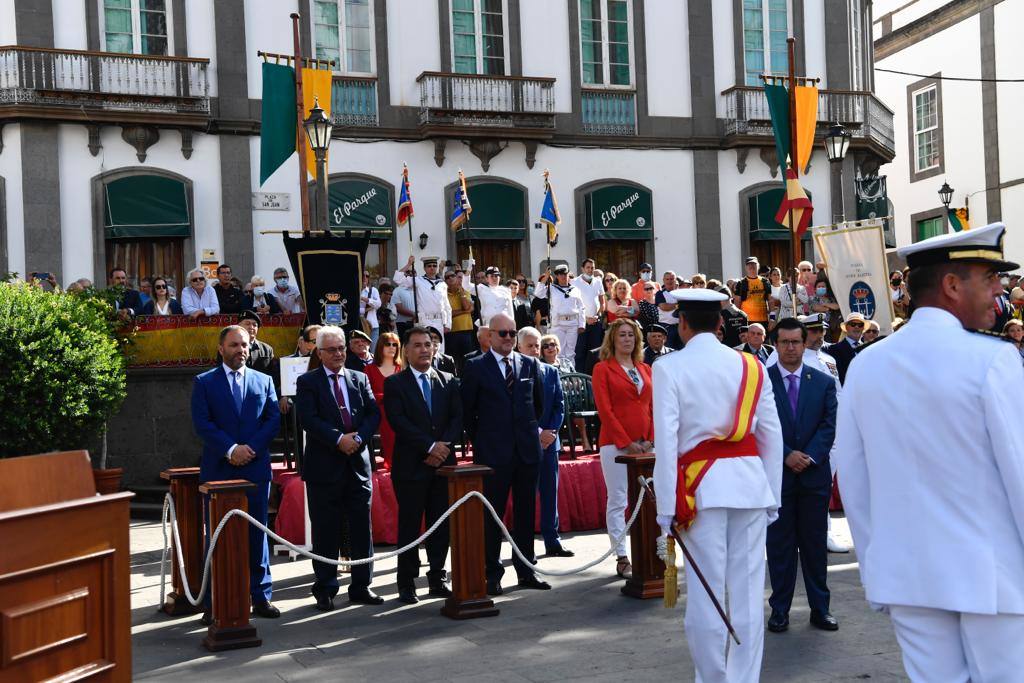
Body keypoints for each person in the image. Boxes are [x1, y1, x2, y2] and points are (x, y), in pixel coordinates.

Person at [834, 222, 1024, 682]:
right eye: (989, 278)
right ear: (952, 285)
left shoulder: (867, 365)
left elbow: (854, 482)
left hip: (907, 576)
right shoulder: (993, 359)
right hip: (991, 575)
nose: (999, 292)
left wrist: (876, 567)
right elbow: (1020, 473)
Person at [653, 287, 783, 683]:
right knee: (746, 597)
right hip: (750, 486)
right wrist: (772, 497)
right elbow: (771, 436)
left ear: (684, 324)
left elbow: (666, 441)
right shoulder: (752, 366)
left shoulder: (668, 367)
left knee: (706, 598)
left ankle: (713, 678)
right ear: (721, 324)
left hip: (700, 490)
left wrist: (665, 509)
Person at [191, 325, 281, 622]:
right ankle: (214, 600)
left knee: (257, 535)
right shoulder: (204, 382)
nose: (240, 350)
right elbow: (202, 423)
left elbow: (272, 420)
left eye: (244, 345)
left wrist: (250, 449)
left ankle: (261, 596)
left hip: (255, 469)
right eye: (234, 345)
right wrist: (231, 450)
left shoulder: (264, 380)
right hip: (219, 470)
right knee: (217, 537)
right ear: (221, 348)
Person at [461, 312, 550, 595]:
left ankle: (526, 569)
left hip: (526, 453)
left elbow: (536, 406)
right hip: (492, 455)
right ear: (489, 335)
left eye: (513, 333)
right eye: (503, 333)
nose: (509, 338)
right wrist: (485, 441)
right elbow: (467, 413)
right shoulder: (475, 367)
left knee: (526, 515)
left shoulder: (529, 364)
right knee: (492, 516)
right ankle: (492, 573)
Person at [295, 325, 382, 610]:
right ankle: (325, 588)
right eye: (331, 350)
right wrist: (337, 439)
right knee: (325, 530)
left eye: (342, 348)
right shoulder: (308, 382)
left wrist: (357, 437)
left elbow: (373, 413)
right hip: (324, 467)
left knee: (361, 528)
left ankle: (361, 585)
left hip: (357, 464)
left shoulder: (359, 378)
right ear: (319, 353)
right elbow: (308, 418)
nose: (338, 354)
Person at [765, 317, 839, 634]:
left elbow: (829, 425)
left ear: (804, 342)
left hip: (813, 477)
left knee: (813, 546)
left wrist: (808, 455)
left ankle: (820, 609)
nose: (791, 347)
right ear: (776, 344)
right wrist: (785, 454)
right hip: (777, 478)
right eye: (785, 342)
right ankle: (779, 610)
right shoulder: (762, 381)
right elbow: (757, 426)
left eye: (796, 341)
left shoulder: (822, 381)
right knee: (779, 548)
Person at [383, 326, 461, 604]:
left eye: (428, 344)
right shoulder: (395, 384)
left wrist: (443, 447)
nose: (425, 349)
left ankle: (438, 577)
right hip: (411, 466)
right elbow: (398, 421)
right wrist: (429, 446)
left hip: (443, 467)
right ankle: (406, 582)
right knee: (410, 526)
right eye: (417, 345)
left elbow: (456, 419)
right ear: (406, 350)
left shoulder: (449, 380)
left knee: (441, 525)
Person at [591, 318, 653, 580]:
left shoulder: (646, 368)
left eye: (631, 335)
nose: (627, 339)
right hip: (615, 444)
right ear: (613, 340)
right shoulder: (602, 369)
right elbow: (605, 410)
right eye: (622, 335)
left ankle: (649, 551)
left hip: (647, 445)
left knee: (650, 500)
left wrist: (649, 439)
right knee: (618, 500)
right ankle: (622, 556)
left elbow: (653, 407)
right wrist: (626, 442)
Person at [517, 327, 572, 557]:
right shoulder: (514, 373)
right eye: (529, 345)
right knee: (525, 496)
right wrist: (537, 432)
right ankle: (523, 547)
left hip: (550, 443)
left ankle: (553, 540)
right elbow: (518, 410)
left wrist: (550, 432)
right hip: (525, 443)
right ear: (519, 347)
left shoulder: (550, 372)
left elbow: (559, 405)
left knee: (550, 493)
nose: (535, 349)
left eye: (537, 345)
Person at [392, 256, 452, 347]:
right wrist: (408, 264)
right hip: (424, 321)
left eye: (434, 266)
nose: (432, 268)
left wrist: (448, 323)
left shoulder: (442, 284)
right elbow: (398, 279)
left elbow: (447, 305)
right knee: (424, 346)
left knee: (439, 347)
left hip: (439, 321)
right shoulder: (418, 280)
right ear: (424, 268)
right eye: (429, 266)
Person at [534, 264, 586, 367]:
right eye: (560, 274)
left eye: (565, 274)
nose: (563, 276)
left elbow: (581, 307)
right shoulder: (552, 288)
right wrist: (546, 277)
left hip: (572, 323)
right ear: (557, 276)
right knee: (559, 351)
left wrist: (582, 324)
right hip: (558, 324)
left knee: (571, 352)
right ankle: (561, 374)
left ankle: (571, 375)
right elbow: (538, 293)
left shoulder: (575, 289)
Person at [365, 332, 402, 470]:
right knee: (387, 416)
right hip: (377, 409)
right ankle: (391, 461)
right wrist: (384, 397)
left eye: (395, 345)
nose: (392, 347)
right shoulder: (369, 369)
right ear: (380, 346)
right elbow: (366, 394)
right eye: (388, 344)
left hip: (400, 409)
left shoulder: (402, 368)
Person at [571, 258, 607, 371]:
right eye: (588, 267)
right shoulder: (574, 282)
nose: (590, 270)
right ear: (582, 268)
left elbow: (602, 301)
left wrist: (598, 315)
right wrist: (585, 319)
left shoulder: (598, 281)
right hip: (581, 323)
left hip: (596, 322)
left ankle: (592, 378)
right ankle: (580, 378)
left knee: (594, 352)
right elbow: (572, 304)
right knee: (580, 352)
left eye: (592, 268)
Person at [825, 312, 866, 384]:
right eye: (853, 324)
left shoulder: (868, 349)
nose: (856, 327)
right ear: (846, 327)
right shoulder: (833, 349)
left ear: (863, 328)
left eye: (860, 325)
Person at [734, 256, 772, 326]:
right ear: (746, 267)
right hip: (746, 320)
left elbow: (770, 302)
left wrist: (772, 319)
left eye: (754, 264)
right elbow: (737, 305)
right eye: (749, 264)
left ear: (758, 266)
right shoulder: (741, 283)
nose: (751, 266)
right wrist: (738, 320)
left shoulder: (765, 281)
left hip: (763, 320)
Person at [237, 310, 275, 376]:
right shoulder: (228, 347)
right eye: (247, 324)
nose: (251, 327)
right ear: (239, 326)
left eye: (254, 325)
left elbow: (272, 376)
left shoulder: (267, 350)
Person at [811, 273, 843, 340]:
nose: (821, 288)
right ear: (815, 289)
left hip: (830, 327)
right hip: (817, 327)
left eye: (823, 287)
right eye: (819, 287)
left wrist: (825, 305)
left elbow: (837, 306)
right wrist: (829, 308)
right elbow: (816, 308)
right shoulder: (812, 298)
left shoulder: (831, 299)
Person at [655, 271, 682, 348]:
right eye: (667, 279)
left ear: (675, 280)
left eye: (672, 279)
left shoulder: (681, 293)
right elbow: (664, 307)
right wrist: (678, 305)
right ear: (663, 280)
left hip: (680, 327)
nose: (670, 281)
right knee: (668, 352)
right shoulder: (660, 294)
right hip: (666, 328)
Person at [360, 270, 382, 349]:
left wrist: (364, 299)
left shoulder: (373, 290)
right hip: (359, 326)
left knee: (373, 353)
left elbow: (378, 304)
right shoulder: (355, 291)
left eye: (367, 276)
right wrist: (366, 309)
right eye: (363, 275)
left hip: (373, 326)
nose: (365, 278)